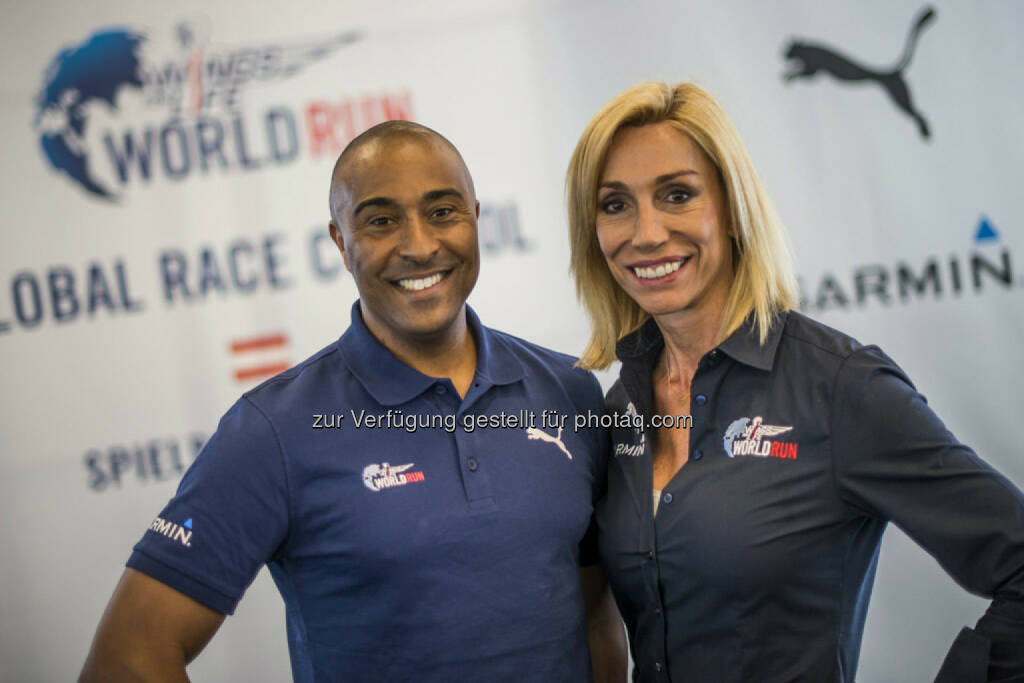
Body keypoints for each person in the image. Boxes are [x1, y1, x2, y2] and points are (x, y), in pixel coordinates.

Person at [80, 121, 626, 682]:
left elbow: (591, 616)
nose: (418, 246)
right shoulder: (273, 431)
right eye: (381, 221)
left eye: (442, 211)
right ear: (342, 242)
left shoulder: (570, 392)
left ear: (476, 219)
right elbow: (127, 657)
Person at [565, 81, 1024, 682]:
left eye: (677, 195)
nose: (646, 233)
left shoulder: (839, 388)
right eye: (615, 204)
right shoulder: (619, 406)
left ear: (732, 210)